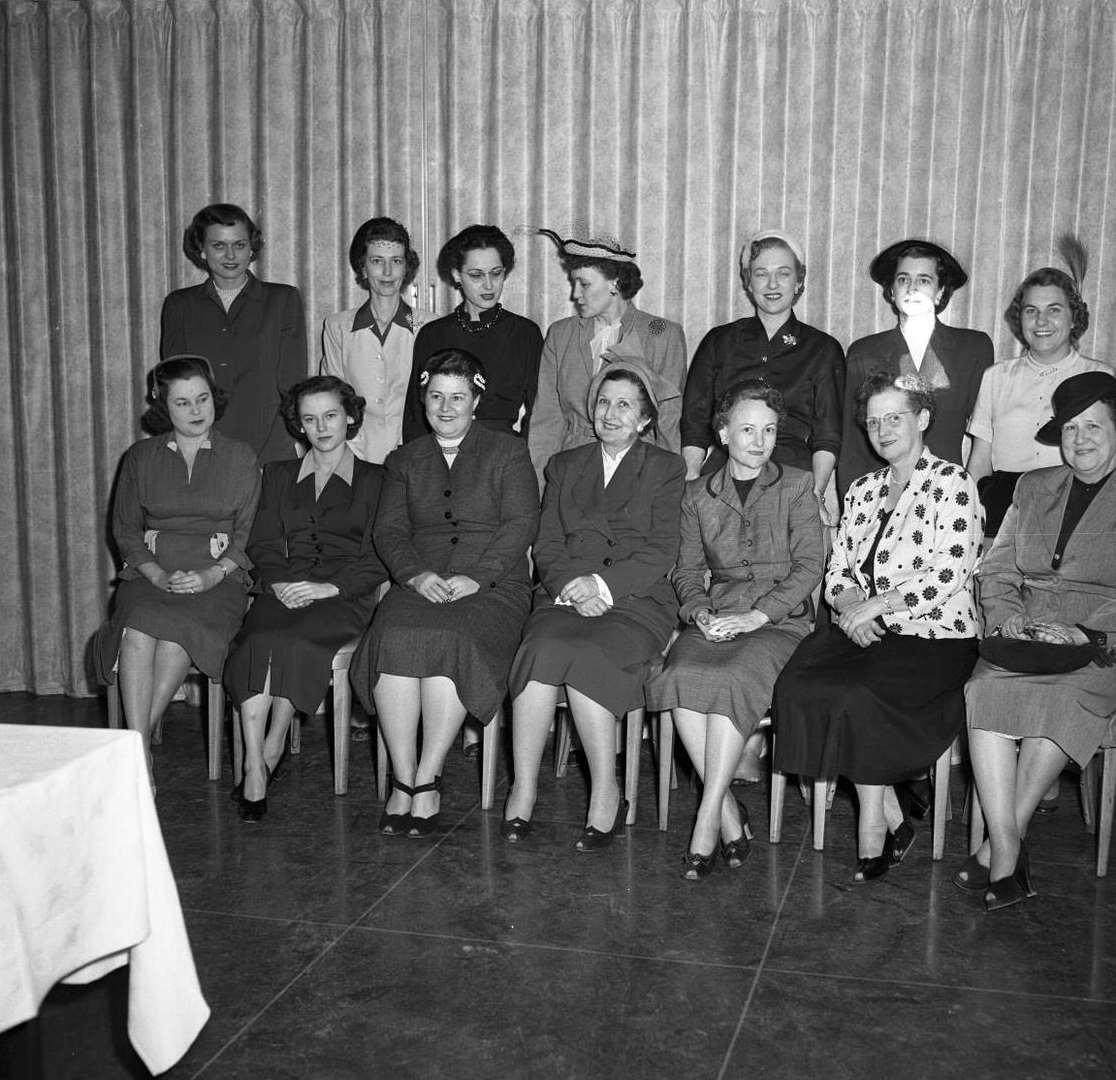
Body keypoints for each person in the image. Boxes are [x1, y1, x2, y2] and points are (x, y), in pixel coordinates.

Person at [960, 371, 1116, 911]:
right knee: (982, 692)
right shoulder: (1035, 488)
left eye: (1093, 427)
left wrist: (1086, 631)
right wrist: (1008, 615)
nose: (1080, 439)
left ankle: (1001, 849)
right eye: (1070, 429)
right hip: (1031, 634)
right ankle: (1011, 847)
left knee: (1059, 700)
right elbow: (996, 570)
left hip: (1111, 643)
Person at [773, 371, 983, 884]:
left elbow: (949, 572)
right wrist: (852, 611)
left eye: (895, 417)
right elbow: (838, 568)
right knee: (798, 684)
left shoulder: (952, 483)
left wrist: (878, 608)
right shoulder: (863, 489)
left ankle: (875, 821)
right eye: (873, 422)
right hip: (859, 626)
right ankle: (893, 812)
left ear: (923, 420)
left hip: (935, 634)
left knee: (857, 695)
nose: (883, 430)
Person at [350, 349, 539, 837]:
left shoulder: (508, 451)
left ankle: (428, 778)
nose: (447, 407)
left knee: (452, 637)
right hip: (422, 580)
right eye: (437, 396)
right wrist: (414, 575)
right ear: (424, 399)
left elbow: (522, 524)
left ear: (476, 400)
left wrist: (477, 576)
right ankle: (402, 776)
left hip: (493, 586)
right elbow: (389, 531)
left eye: (458, 397)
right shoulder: (405, 459)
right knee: (393, 633)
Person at [504, 362, 685, 849]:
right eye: (604, 402)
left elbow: (661, 550)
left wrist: (601, 586)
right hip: (563, 597)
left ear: (645, 419)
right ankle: (524, 786)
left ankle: (606, 791)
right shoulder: (565, 465)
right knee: (539, 649)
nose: (610, 413)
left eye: (625, 405)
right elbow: (546, 542)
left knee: (589, 657)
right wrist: (570, 585)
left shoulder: (666, 469)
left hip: (634, 600)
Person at [647, 382, 824, 879]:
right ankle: (728, 812)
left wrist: (759, 615)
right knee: (680, 671)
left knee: (731, 677)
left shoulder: (797, 484)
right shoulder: (696, 495)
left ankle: (707, 821)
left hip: (781, 622)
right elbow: (685, 571)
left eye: (768, 430)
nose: (759, 440)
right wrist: (699, 611)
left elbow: (811, 566)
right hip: (719, 615)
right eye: (747, 429)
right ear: (723, 433)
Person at [221, 376, 387, 822]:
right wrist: (277, 583)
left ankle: (274, 743)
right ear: (299, 426)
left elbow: (380, 555)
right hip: (285, 587)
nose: (322, 427)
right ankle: (256, 762)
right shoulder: (277, 474)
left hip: (342, 596)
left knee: (294, 643)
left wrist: (330, 588)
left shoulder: (377, 479)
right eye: (310, 419)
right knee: (257, 641)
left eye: (331, 415)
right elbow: (262, 543)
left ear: (350, 417)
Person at [96, 356, 260, 786]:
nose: (196, 411)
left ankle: (132, 747)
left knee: (175, 631)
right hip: (151, 575)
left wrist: (212, 575)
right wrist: (153, 574)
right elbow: (126, 529)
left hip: (218, 579)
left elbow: (247, 534)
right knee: (138, 630)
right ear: (162, 407)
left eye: (202, 399)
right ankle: (139, 750)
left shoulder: (241, 457)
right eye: (183, 403)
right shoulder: (140, 457)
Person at [681, 230, 844, 524]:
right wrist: (692, 477)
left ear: (799, 281)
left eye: (783, 273)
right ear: (747, 281)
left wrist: (815, 493)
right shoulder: (719, 341)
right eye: (761, 274)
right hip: (724, 473)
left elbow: (827, 434)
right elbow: (694, 421)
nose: (772, 284)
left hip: (792, 477)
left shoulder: (823, 349)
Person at [966, 236, 1115, 536]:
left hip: (1071, 504)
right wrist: (971, 519)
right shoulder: (995, 376)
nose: (1041, 320)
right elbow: (979, 459)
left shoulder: (1099, 374)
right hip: (1001, 510)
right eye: (1031, 310)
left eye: (1054, 310)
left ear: (1074, 317)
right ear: (1019, 318)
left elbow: (1108, 457)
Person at [524, 229, 687, 486]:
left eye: (584, 284)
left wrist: (667, 486)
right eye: (573, 283)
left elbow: (668, 420)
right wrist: (543, 488)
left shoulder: (663, 334)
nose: (575, 294)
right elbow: (547, 420)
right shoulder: (560, 334)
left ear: (615, 283)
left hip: (638, 471)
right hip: (571, 471)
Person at [838, 239, 993, 496]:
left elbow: (985, 436)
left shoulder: (973, 348)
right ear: (891, 291)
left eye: (924, 280)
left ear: (941, 291)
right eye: (903, 279)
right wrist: (854, 511)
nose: (912, 288)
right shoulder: (863, 352)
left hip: (947, 494)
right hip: (881, 496)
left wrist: (971, 499)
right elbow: (853, 446)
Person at [161, 204, 307, 463]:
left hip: (270, 446)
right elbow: (176, 386)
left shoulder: (283, 300)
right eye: (218, 245)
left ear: (251, 248)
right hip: (202, 446)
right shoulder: (179, 305)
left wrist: (288, 446)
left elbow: (292, 385)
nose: (230, 255)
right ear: (202, 250)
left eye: (239, 245)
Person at [403, 224, 544, 442]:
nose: (489, 285)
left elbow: (540, 414)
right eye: (476, 275)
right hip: (441, 456)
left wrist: (525, 459)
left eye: (496, 273)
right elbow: (415, 417)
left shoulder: (525, 333)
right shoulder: (432, 334)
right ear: (456, 275)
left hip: (503, 455)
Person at [321, 217, 435, 465]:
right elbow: (333, 399)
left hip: (416, 457)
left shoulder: (430, 326)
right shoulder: (337, 327)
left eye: (396, 261)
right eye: (377, 261)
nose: (387, 272)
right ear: (363, 268)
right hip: (354, 456)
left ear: (406, 268)